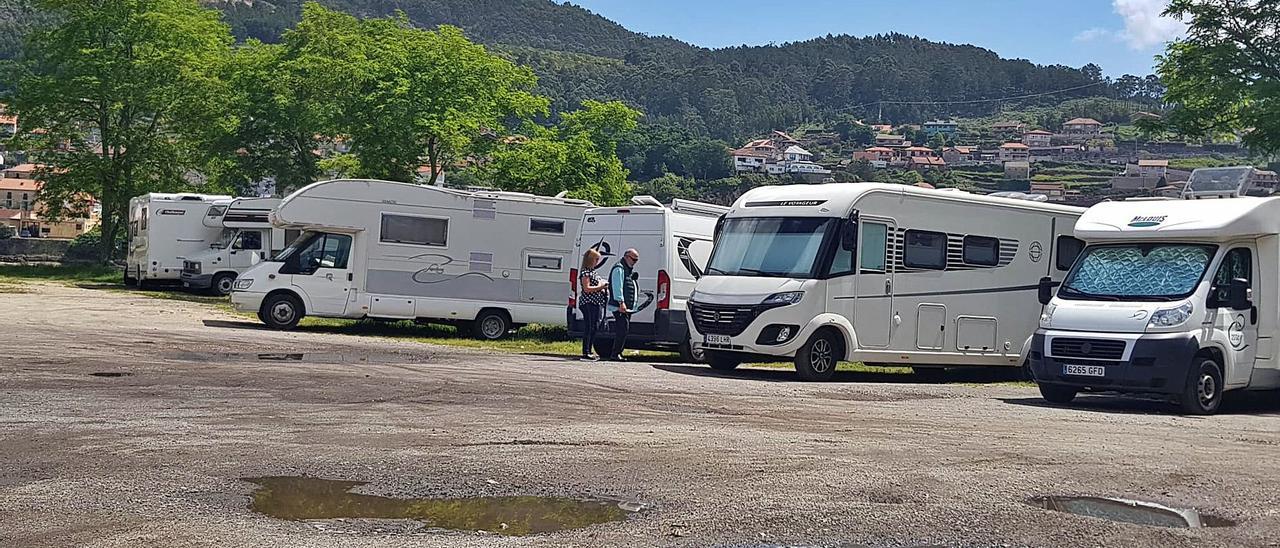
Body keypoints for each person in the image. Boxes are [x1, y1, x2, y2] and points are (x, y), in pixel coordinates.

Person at [607, 248, 639, 361]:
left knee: (624, 329)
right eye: (633, 259)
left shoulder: (627, 269)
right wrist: (621, 303)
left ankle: (617, 353)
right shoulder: (619, 268)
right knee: (622, 329)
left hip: (626, 307)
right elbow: (617, 287)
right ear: (626, 256)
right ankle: (615, 354)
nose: (635, 262)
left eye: (636, 260)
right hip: (619, 306)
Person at [577, 248, 609, 361]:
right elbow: (587, 289)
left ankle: (590, 350)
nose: (598, 262)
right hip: (588, 302)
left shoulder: (593, 272)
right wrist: (601, 287)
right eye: (596, 259)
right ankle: (585, 352)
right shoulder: (585, 273)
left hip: (597, 302)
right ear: (591, 260)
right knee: (589, 327)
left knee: (595, 327)